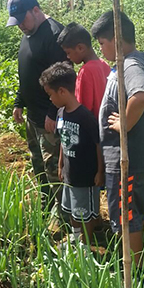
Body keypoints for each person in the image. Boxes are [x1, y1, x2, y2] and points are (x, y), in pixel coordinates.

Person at [91, 11, 144, 265]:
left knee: (127, 215)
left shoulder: (130, 65)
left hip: (128, 156)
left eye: (102, 43)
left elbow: (139, 96)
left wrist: (123, 124)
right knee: (126, 213)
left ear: (117, 40)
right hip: (127, 155)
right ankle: (131, 264)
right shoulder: (134, 61)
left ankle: (137, 273)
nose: (101, 50)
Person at [6, 0, 68, 211]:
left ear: (36, 10)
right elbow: (29, 71)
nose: (21, 25)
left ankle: (63, 215)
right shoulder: (29, 32)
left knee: (54, 169)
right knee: (38, 164)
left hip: (48, 118)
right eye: (17, 22)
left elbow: (63, 79)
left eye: (23, 19)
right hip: (33, 116)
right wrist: (19, 101)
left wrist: (53, 112)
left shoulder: (54, 34)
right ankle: (46, 205)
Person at [40, 62, 104, 244]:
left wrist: (100, 171)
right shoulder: (61, 113)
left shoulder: (85, 117)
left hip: (86, 176)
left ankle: (86, 244)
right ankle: (76, 241)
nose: (50, 99)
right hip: (69, 174)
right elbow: (63, 141)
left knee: (85, 213)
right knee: (72, 210)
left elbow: (98, 143)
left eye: (50, 95)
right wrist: (60, 164)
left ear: (62, 91)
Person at [57, 22, 110, 119]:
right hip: (104, 125)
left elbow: (82, 109)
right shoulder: (104, 65)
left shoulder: (85, 71)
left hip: (91, 127)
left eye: (68, 52)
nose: (68, 57)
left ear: (80, 48)